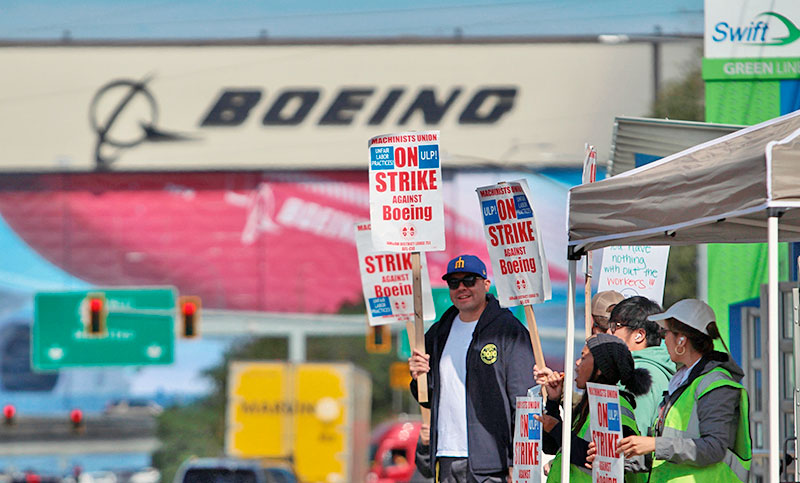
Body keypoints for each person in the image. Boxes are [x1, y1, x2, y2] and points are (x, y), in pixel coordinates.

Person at [409, 254, 536, 483]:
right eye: (454, 283)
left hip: (492, 464)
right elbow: (426, 396)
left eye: (469, 280)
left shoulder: (508, 330)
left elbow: (524, 400)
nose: (462, 288)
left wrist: (518, 462)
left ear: (486, 284)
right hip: (446, 457)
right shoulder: (439, 333)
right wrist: (418, 374)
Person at [616, 299, 752, 482]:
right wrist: (617, 459)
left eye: (667, 334)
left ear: (681, 339)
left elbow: (714, 447)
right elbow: (665, 452)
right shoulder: (683, 380)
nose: (664, 340)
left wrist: (655, 444)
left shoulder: (716, 383)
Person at [535, 333, 651, 482]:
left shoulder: (614, 406)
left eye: (583, 358)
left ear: (599, 368)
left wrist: (555, 427)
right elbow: (553, 447)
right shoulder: (590, 403)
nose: (577, 363)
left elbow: (603, 459)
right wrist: (553, 401)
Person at [606, 296, 676, 435]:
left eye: (616, 326)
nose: (609, 332)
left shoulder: (640, 374)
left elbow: (635, 437)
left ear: (639, 335)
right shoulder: (660, 368)